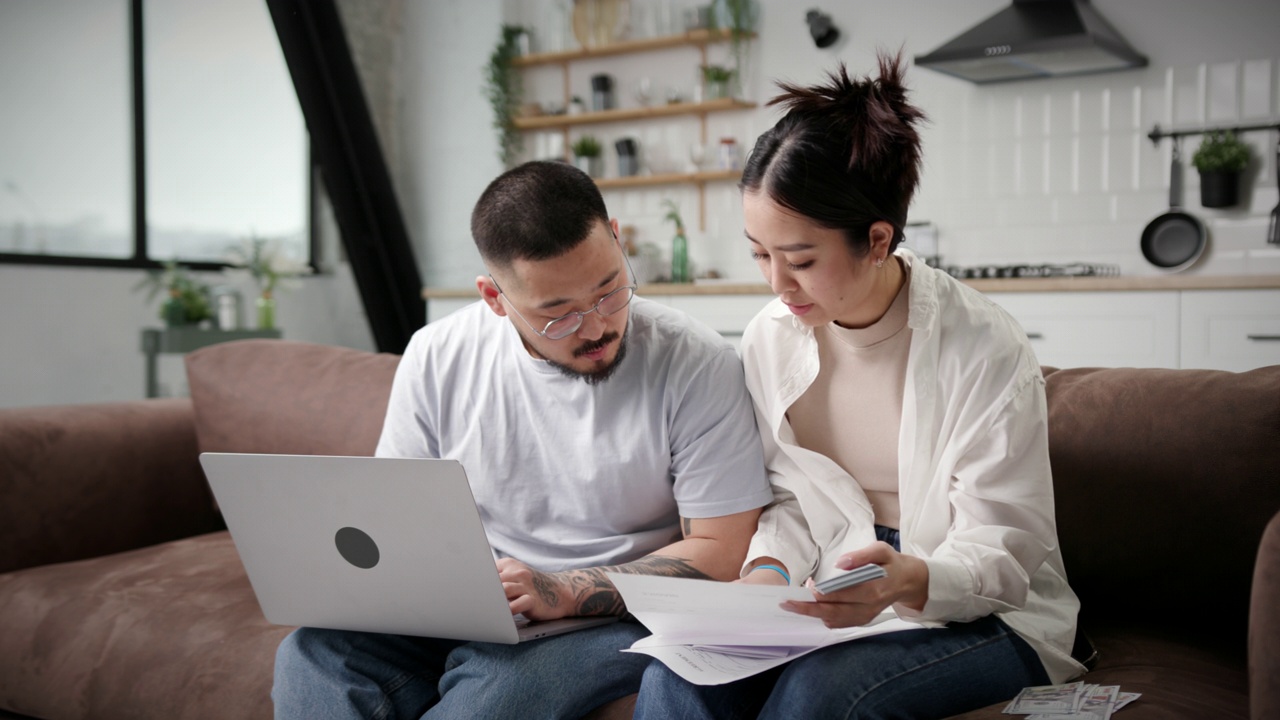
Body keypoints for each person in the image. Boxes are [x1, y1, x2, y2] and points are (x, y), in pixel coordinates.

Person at [635, 54, 1087, 719]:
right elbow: (789, 496)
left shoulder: (983, 346)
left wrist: (910, 578)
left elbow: (1004, 551)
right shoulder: (771, 335)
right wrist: (767, 574)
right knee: (677, 681)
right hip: (832, 583)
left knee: (820, 697)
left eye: (801, 260)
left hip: (985, 609)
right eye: (760, 254)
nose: (776, 285)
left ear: (877, 240)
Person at [272, 160, 774, 719]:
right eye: (556, 316)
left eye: (610, 291)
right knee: (312, 653)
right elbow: (395, 518)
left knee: (497, 691)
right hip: (475, 608)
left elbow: (725, 551)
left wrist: (564, 590)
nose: (595, 327)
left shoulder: (696, 362)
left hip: (610, 620)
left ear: (615, 237)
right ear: (494, 297)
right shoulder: (436, 354)